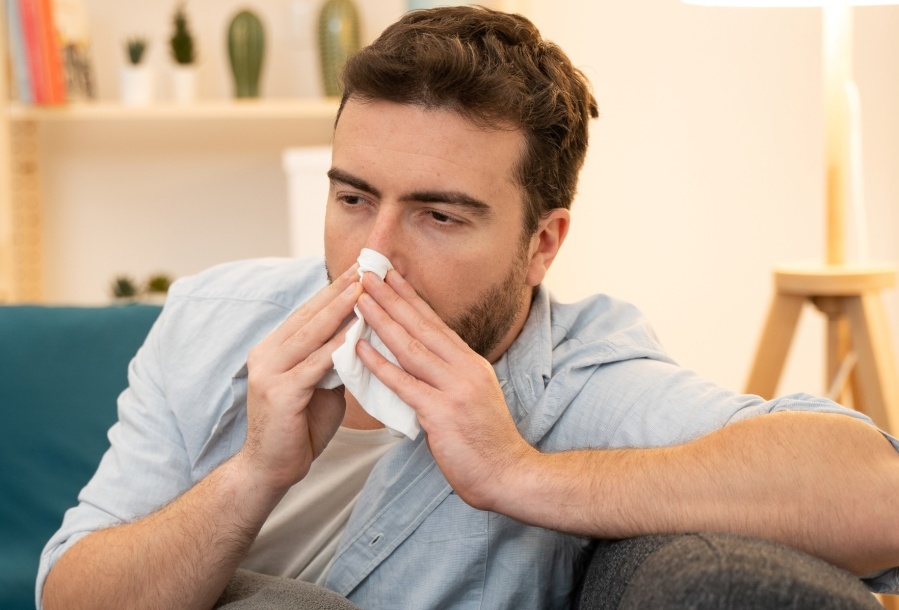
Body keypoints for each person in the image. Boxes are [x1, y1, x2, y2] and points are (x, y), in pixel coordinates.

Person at [39, 5, 899, 610]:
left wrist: (512, 473)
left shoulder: (578, 380)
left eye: (439, 215)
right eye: (351, 199)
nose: (374, 256)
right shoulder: (209, 317)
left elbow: (879, 498)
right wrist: (253, 475)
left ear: (542, 244)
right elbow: (73, 596)